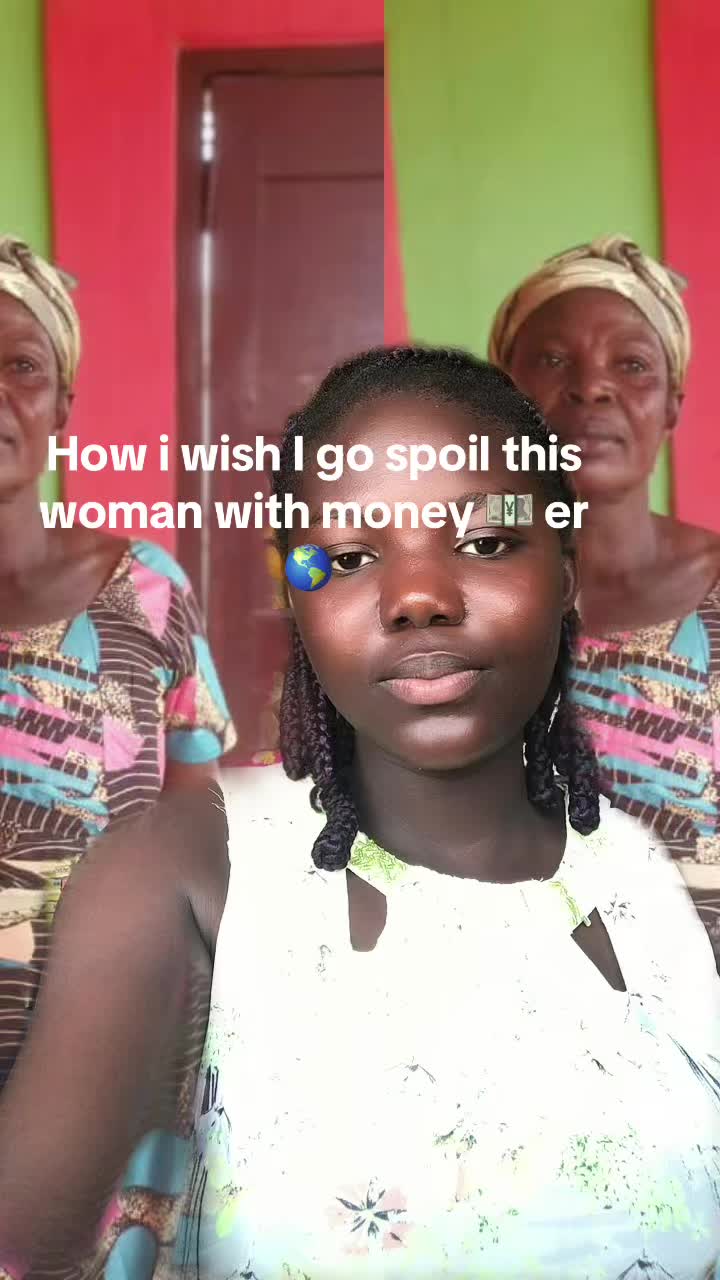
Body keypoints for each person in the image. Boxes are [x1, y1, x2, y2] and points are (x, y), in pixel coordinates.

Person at [175, 347, 720, 1277]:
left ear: (566, 574)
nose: (419, 598)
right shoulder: (214, 870)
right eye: (349, 558)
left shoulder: (645, 897)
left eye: (485, 542)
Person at [0, 237, 236, 1273]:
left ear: (62, 406)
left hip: (115, 1064)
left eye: (21, 365)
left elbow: (196, 805)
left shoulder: (144, 589)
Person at [488, 235, 720, 965]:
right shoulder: (441, 601)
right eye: (553, 360)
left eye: (633, 365)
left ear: (671, 406)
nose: (592, 388)